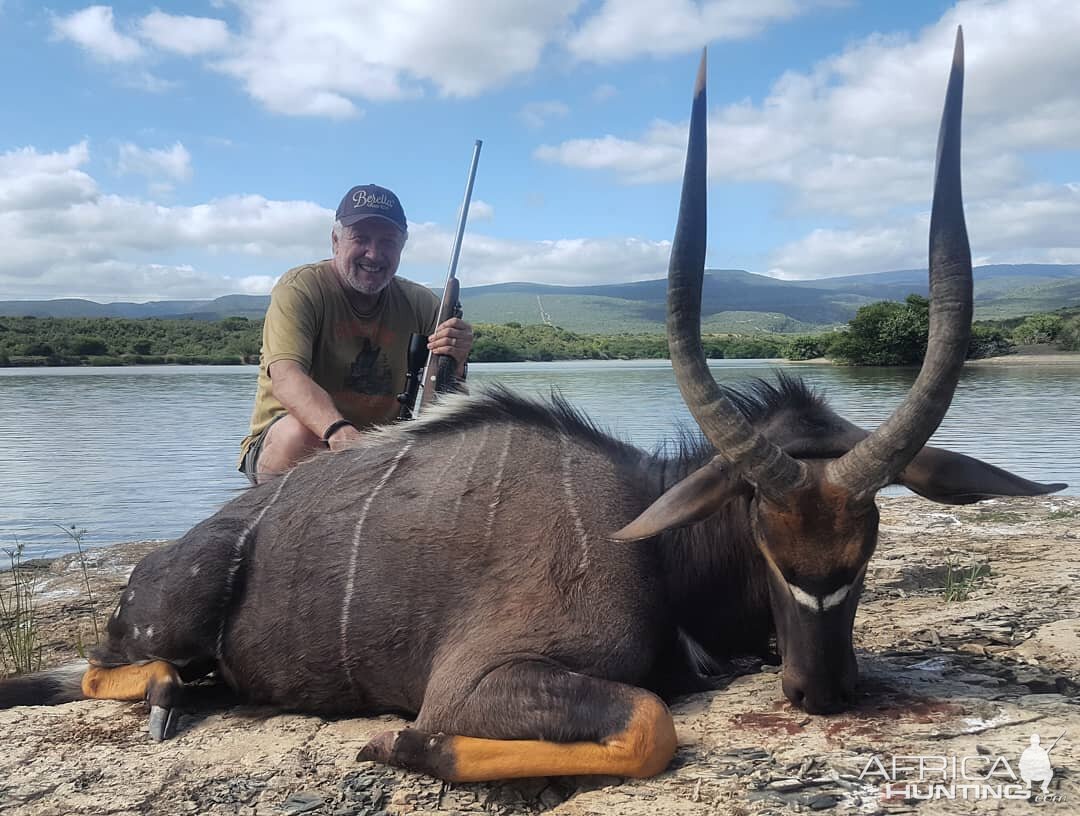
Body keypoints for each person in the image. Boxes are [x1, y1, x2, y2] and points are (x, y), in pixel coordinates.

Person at [239, 184, 473, 484]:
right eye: (360, 238)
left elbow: (440, 404)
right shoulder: (300, 288)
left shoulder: (424, 304)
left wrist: (457, 360)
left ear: (401, 247)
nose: (374, 254)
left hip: (380, 446)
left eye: (387, 241)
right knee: (299, 437)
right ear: (335, 241)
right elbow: (286, 377)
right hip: (295, 441)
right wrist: (339, 434)